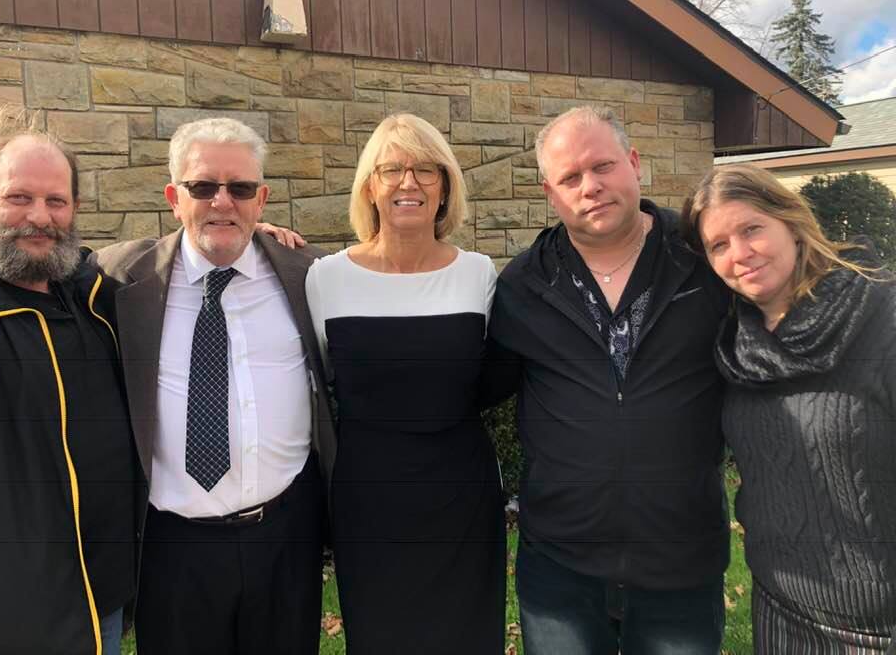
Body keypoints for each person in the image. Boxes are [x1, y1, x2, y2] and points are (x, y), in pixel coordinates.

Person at [486, 105, 730, 654]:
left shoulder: (702, 258)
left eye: (602, 166)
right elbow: (480, 385)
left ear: (634, 163)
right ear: (550, 193)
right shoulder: (525, 284)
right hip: (561, 564)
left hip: (681, 559)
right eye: (570, 178)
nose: (590, 186)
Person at [91, 117, 335, 655]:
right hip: (173, 549)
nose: (222, 202)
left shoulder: (309, 272)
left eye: (240, 188)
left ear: (261, 199)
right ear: (174, 198)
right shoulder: (118, 277)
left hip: (285, 538)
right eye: (203, 187)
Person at [0, 106, 139, 655]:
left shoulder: (95, 300)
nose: (40, 217)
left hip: (102, 606)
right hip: (2, 627)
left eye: (56, 201)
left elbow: (172, 261)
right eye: (19, 197)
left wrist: (252, 238)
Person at [304, 113, 506, 653]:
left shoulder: (478, 274)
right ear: (370, 187)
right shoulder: (327, 278)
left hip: (461, 495)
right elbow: (322, 375)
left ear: (445, 187)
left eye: (425, 170)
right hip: (369, 497)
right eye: (391, 169)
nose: (408, 182)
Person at [683, 164, 896, 653]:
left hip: (882, 626)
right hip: (781, 610)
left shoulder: (881, 319)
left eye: (752, 229)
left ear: (793, 224)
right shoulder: (736, 346)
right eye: (719, 245)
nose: (740, 254)